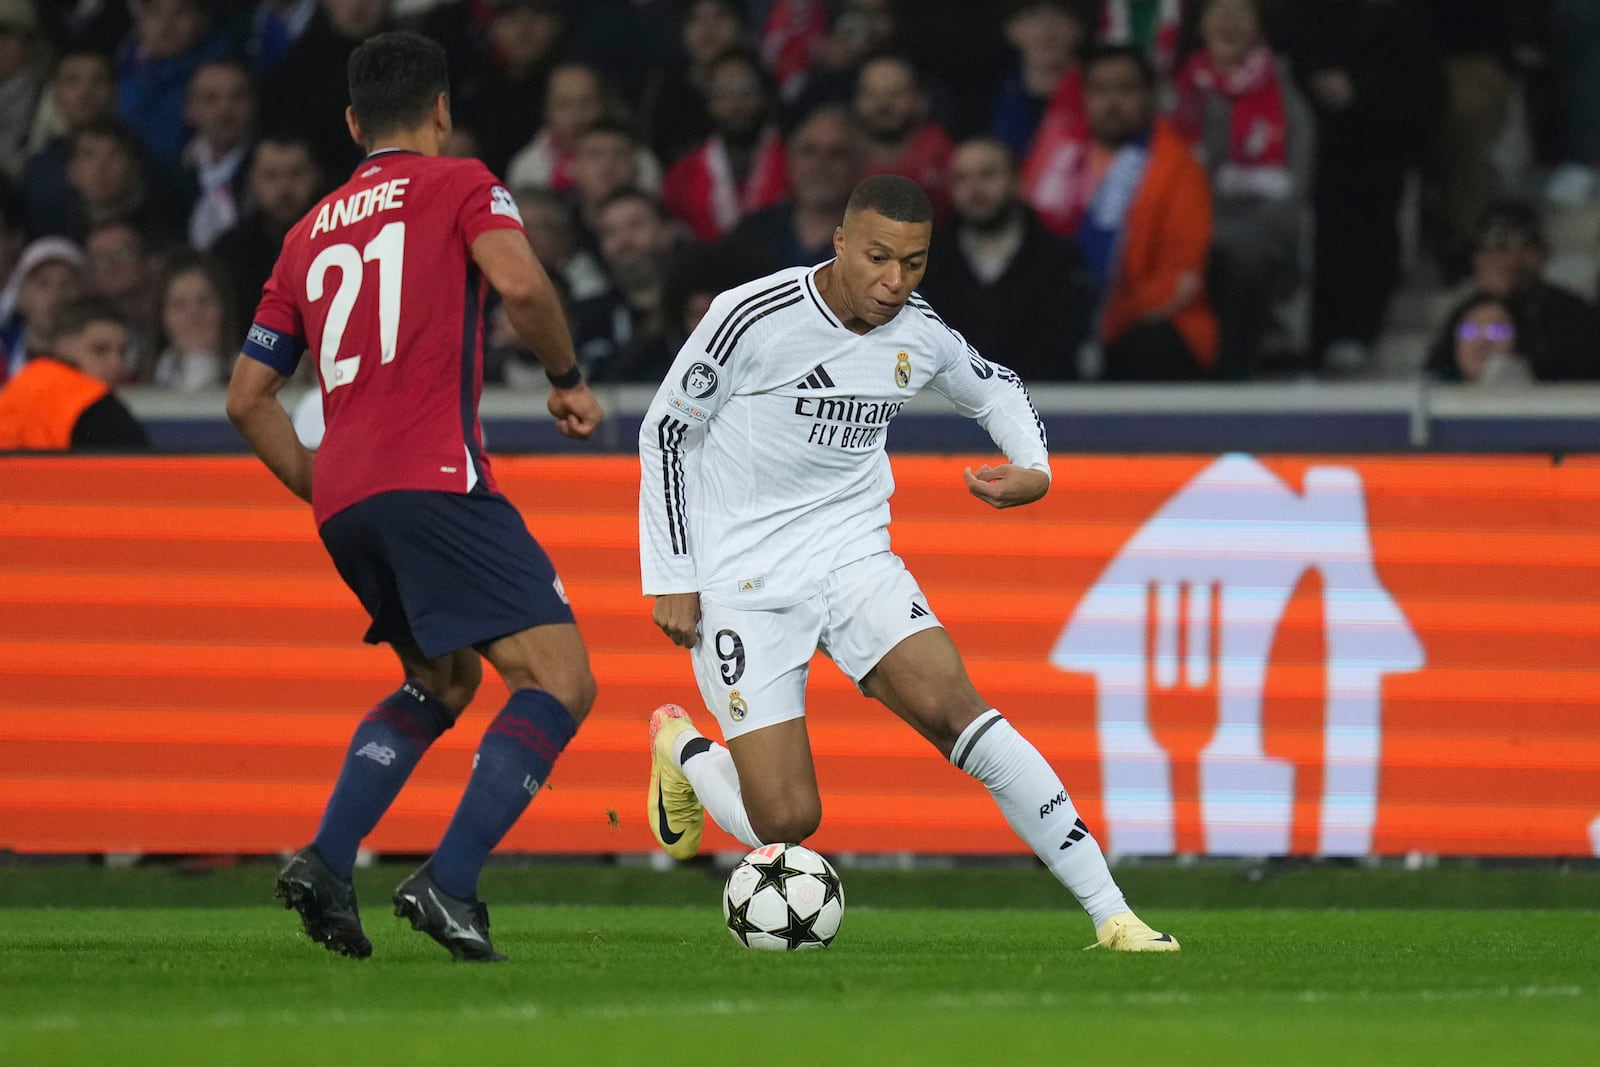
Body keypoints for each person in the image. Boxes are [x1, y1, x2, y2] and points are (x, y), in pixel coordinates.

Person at [637, 173, 1179, 953]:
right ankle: (682, 748)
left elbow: (996, 388)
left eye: (915, 263)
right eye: (880, 258)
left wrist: (1035, 466)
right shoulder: (748, 316)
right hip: (745, 578)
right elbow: (665, 433)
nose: (896, 282)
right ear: (842, 244)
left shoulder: (917, 330)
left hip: (855, 558)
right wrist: (673, 572)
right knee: (787, 822)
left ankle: (1114, 914)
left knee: (965, 713)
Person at [226, 30, 603, 963]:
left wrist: (326, 483)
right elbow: (519, 282)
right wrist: (567, 374)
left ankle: (325, 855)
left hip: (346, 496)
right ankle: (450, 881)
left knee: (442, 677)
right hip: (433, 476)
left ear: (354, 123)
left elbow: (245, 396)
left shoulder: (306, 231)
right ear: (440, 109)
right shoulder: (462, 182)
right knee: (560, 679)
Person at [1169, 0, 1314, 378]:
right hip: (1185, 225)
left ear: (1259, 28)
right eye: (1219, 11)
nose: (1229, 22)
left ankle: (1235, 376)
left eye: (1240, 12)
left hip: (1259, 229)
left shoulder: (1285, 91)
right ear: (1201, 26)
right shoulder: (1180, 91)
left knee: (1242, 256)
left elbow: (1295, 187)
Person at [1076, 44, 1217, 379]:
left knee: (1147, 343)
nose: (1111, 103)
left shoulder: (1178, 167)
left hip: (1153, 327)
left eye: (1125, 89)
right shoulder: (1059, 158)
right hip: (1069, 321)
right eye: (1099, 90)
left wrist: (1105, 320)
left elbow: (1179, 280)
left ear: (1150, 96)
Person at [918, 135, 1092, 380]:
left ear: (1017, 182)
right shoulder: (930, 263)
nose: (975, 190)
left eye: (988, 175)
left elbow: (1060, 350)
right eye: (962, 179)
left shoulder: (1059, 259)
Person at [1427, 201, 1600, 381]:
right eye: (1486, 249)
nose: (1491, 261)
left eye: (1502, 249)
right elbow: (1438, 370)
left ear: (1536, 255)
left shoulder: (1570, 314)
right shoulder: (1465, 313)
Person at [660, 49, 788, 242]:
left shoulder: (797, 162)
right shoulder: (682, 175)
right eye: (722, 92)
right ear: (708, 101)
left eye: (746, 90)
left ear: (766, 94)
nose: (735, 104)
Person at [0, 296, 147, 450]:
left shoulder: (18, 387)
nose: (116, 364)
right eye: (100, 350)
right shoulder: (97, 407)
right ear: (62, 346)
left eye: (122, 352)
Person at [1422, 291, 1533, 385]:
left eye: (1497, 331)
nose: (1482, 341)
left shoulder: (1538, 401)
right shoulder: (1427, 392)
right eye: (1470, 331)